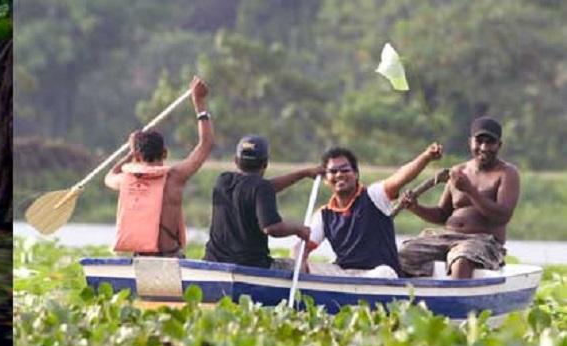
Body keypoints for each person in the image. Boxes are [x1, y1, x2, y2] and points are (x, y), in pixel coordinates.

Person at [293, 144, 443, 278]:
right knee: (298, 265)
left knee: (384, 273)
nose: (339, 175)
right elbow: (302, 248)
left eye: (345, 169)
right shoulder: (324, 215)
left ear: (356, 174)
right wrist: (300, 259)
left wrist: (426, 157)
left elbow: (400, 178)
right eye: (333, 171)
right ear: (326, 179)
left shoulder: (374, 195)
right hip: (345, 274)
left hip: (378, 273)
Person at [104, 76, 214, 257]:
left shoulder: (125, 179)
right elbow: (206, 144)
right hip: (171, 258)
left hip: (141, 260)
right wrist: (199, 103)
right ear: (165, 153)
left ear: (137, 157)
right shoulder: (176, 177)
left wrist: (129, 154)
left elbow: (109, 176)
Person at [398, 117, 520, 279]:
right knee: (404, 254)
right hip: (447, 237)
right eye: (479, 141)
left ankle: (456, 301)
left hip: (482, 241)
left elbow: (502, 216)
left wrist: (470, 190)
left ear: (499, 145)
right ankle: (413, 299)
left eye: (490, 142)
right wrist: (415, 207)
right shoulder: (459, 171)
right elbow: (443, 214)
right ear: (470, 142)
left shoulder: (507, 173)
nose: (484, 148)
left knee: (462, 259)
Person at [202, 134, 317, 270]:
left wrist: (302, 174)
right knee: (301, 268)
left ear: (236, 161)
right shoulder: (261, 188)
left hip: (213, 262)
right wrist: (299, 229)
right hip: (251, 266)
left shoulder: (223, 180)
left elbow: (260, 188)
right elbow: (271, 228)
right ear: (265, 164)